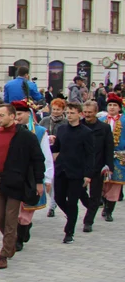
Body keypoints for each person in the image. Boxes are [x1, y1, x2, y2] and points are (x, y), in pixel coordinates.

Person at [0, 103, 45, 268]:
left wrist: (39, 181)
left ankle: (4, 253)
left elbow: (38, 159)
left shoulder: (25, 136)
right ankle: (13, 239)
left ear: (12, 116)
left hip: (16, 181)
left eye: (2, 115)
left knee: (11, 218)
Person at [51, 102, 94, 244]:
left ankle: (69, 232)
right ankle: (72, 217)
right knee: (58, 198)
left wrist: (88, 175)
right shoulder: (62, 129)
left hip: (76, 172)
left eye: (72, 113)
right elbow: (56, 148)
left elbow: (90, 155)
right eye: (68, 113)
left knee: (72, 202)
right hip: (61, 170)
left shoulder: (86, 132)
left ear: (79, 114)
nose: (69, 115)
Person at [13, 101, 53, 253]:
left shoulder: (40, 132)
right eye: (15, 114)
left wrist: (47, 178)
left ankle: (21, 236)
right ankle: (20, 231)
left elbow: (46, 156)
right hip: (15, 176)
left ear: (28, 114)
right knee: (14, 210)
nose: (17, 117)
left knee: (27, 210)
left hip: (32, 176)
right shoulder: (8, 131)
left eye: (20, 114)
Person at [82, 99, 114, 234]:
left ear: (96, 112)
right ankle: (91, 206)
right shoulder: (79, 126)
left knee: (95, 195)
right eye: (85, 112)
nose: (87, 115)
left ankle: (88, 221)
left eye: (90, 112)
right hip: (81, 166)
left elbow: (109, 148)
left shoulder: (105, 128)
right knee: (79, 192)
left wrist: (109, 166)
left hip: (98, 165)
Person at [40, 98, 67, 217]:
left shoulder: (66, 122)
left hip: (60, 154)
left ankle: (54, 203)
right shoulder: (45, 120)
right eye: (54, 109)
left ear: (63, 110)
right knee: (49, 178)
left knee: (57, 179)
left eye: (58, 109)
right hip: (46, 152)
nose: (55, 112)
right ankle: (52, 203)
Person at [101, 93, 124, 221]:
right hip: (102, 156)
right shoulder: (101, 120)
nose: (112, 107)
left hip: (119, 157)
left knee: (115, 184)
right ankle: (105, 204)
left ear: (119, 108)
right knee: (103, 183)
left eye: (115, 105)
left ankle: (109, 211)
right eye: (110, 105)